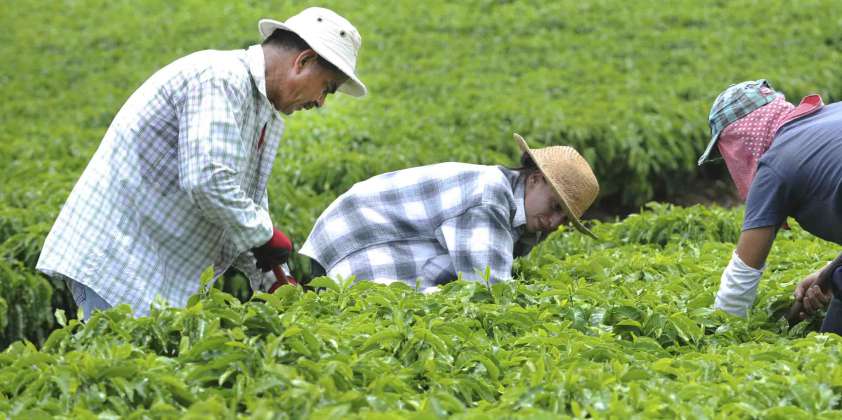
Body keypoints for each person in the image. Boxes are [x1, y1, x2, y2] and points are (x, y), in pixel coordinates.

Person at [36, 7, 368, 319]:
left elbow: (241, 207)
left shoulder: (259, 109)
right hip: (118, 263)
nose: (321, 102)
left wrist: (274, 280)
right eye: (326, 88)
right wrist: (265, 237)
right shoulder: (220, 79)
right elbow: (208, 180)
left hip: (152, 270)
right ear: (303, 60)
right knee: (113, 369)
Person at [299, 133, 599, 290]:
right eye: (555, 207)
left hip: (351, 242)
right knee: (431, 301)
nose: (554, 222)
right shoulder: (490, 195)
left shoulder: (513, 210)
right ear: (534, 180)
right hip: (349, 245)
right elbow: (489, 288)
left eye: (565, 220)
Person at [698, 79, 842, 332]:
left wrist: (720, 339)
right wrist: (827, 274)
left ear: (741, 138)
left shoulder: (776, 163)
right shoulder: (833, 113)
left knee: (830, 347)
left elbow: (742, 274)